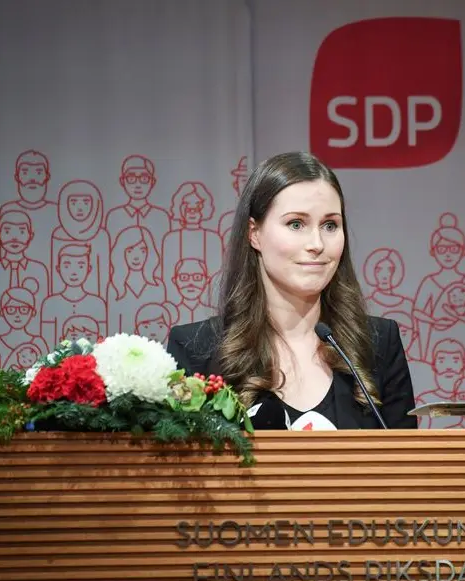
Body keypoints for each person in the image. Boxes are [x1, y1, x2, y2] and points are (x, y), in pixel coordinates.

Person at [165, 152, 417, 430]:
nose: (317, 243)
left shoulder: (379, 344)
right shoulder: (196, 350)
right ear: (254, 233)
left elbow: (405, 466)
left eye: (330, 225)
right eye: (296, 224)